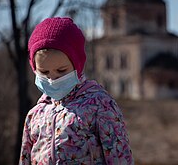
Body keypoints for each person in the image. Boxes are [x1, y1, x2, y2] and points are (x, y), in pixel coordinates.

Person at [19, 17, 134, 165]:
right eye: (44, 72)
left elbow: (120, 158)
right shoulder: (35, 115)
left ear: (77, 65)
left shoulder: (100, 105)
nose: (52, 78)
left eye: (61, 71)